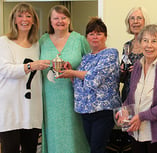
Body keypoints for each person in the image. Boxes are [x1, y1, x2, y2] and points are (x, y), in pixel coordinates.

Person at [57, 17, 121, 153]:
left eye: (99, 33)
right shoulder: (86, 58)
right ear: (87, 37)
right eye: (91, 34)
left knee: (98, 149)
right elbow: (79, 84)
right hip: (85, 111)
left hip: (103, 110)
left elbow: (95, 78)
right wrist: (71, 73)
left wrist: (73, 72)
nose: (95, 37)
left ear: (105, 36)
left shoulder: (110, 54)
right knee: (92, 148)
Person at [39, 5, 90, 153]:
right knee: (53, 133)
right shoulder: (42, 41)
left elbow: (91, 65)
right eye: (56, 18)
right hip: (50, 98)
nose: (60, 21)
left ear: (69, 20)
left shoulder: (79, 40)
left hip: (74, 96)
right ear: (50, 21)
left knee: (75, 134)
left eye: (63, 18)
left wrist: (74, 72)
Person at [0, 3, 50, 153]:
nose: (25, 19)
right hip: (10, 109)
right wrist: (31, 66)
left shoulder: (37, 44)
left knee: (30, 149)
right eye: (20, 16)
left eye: (29, 16)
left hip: (32, 109)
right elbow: (5, 70)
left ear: (34, 20)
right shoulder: (4, 42)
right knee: (10, 149)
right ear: (14, 20)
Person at [122, 24, 157, 153]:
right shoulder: (137, 66)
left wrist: (142, 116)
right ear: (140, 43)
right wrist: (124, 110)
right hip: (136, 132)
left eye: (154, 41)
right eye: (145, 41)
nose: (149, 45)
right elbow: (131, 96)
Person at [120, 6, 149, 102]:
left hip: (145, 97)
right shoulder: (126, 46)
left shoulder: (151, 44)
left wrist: (141, 69)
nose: (135, 21)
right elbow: (122, 79)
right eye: (132, 18)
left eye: (139, 18)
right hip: (127, 96)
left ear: (145, 22)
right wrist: (122, 72)